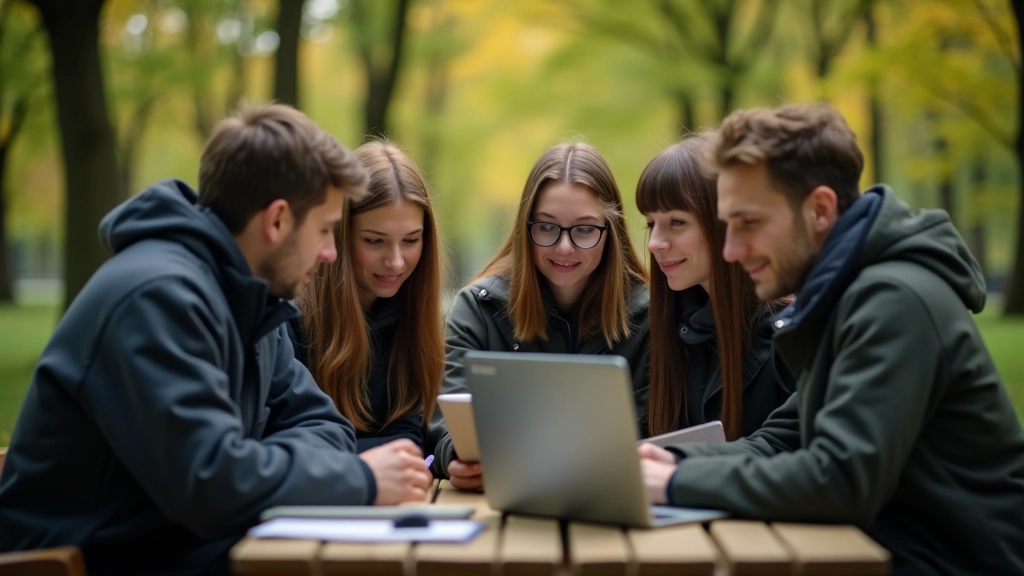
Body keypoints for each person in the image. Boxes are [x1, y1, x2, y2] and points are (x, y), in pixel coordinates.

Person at [0, 105, 433, 576]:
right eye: (326, 229)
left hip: (184, 545)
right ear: (278, 220)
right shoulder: (156, 297)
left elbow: (325, 427)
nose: (330, 253)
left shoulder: (252, 301)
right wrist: (359, 479)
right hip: (95, 560)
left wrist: (253, 464)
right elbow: (209, 483)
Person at [638, 103, 1024, 575]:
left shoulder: (894, 299)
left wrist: (674, 484)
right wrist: (665, 460)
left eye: (749, 223)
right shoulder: (842, 296)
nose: (732, 249)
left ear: (820, 209)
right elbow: (780, 440)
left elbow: (840, 478)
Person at [428, 142, 650, 490]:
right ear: (525, 228)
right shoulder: (479, 308)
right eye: (547, 227)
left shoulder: (650, 315)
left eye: (585, 229)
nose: (564, 247)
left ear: (611, 232)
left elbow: (661, 434)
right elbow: (445, 427)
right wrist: (455, 458)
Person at [636, 134, 794, 441]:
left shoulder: (790, 339)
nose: (655, 243)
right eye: (650, 224)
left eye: (676, 222)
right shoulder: (668, 331)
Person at [291, 140, 445, 453]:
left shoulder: (413, 315)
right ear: (340, 235)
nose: (396, 261)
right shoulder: (293, 320)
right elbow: (295, 445)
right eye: (375, 241)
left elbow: (411, 438)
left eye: (411, 240)